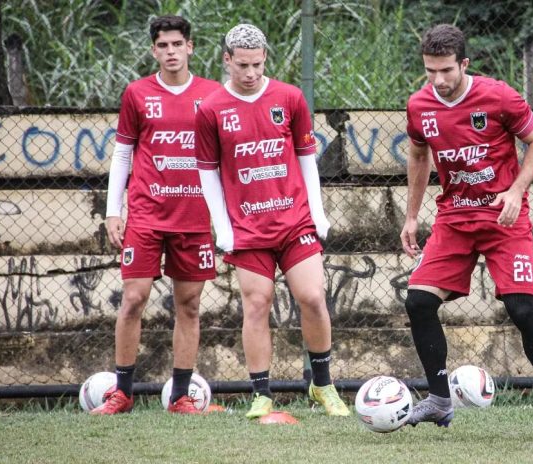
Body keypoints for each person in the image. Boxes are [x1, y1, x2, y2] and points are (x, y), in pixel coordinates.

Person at [400, 24, 533, 438]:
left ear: (464, 64)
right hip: (454, 220)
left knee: (521, 309)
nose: (438, 80)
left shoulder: (498, 96)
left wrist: (516, 190)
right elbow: (419, 156)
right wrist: (411, 216)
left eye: (446, 70)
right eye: (430, 71)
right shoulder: (420, 105)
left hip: (502, 219)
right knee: (419, 302)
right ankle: (439, 400)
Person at [195, 24, 349, 419]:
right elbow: (207, 171)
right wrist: (223, 227)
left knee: (312, 297)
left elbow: (306, 157)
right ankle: (261, 394)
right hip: (247, 227)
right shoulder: (211, 109)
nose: (250, 73)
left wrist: (317, 212)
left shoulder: (289, 97)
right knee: (257, 303)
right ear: (227, 60)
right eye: (242, 65)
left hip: (294, 220)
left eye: (257, 65)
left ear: (265, 58)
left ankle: (323, 385)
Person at [92, 15, 221, 415]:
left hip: (194, 216)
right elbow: (123, 153)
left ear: (190, 47)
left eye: (177, 44)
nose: (171, 51)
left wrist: (225, 214)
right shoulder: (137, 93)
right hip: (146, 213)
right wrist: (113, 211)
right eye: (163, 45)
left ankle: (180, 396)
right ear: (154, 51)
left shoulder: (213, 95)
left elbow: (223, 159)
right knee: (134, 299)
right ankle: (122, 393)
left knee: (190, 305)